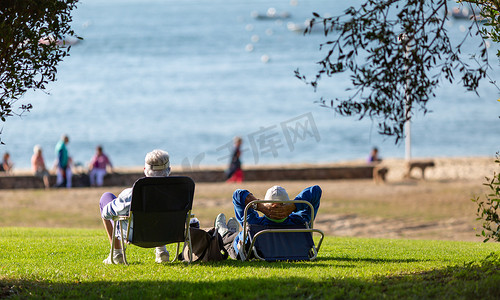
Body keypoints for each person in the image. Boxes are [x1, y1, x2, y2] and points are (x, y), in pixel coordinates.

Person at [99, 149, 171, 264]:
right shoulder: (177, 192)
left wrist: (120, 204)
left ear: (145, 171)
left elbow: (106, 213)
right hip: (166, 234)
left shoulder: (131, 194)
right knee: (158, 212)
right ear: (169, 170)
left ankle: (117, 254)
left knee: (106, 198)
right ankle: (162, 252)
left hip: (134, 235)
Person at [215, 184, 321, 260]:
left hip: (244, 247)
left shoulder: (255, 223)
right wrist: (294, 206)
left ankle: (224, 232)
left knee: (229, 240)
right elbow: (316, 190)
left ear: (266, 203)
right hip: (291, 247)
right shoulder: (300, 221)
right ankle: (231, 232)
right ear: (287, 203)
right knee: (240, 234)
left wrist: (260, 206)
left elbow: (238, 195)